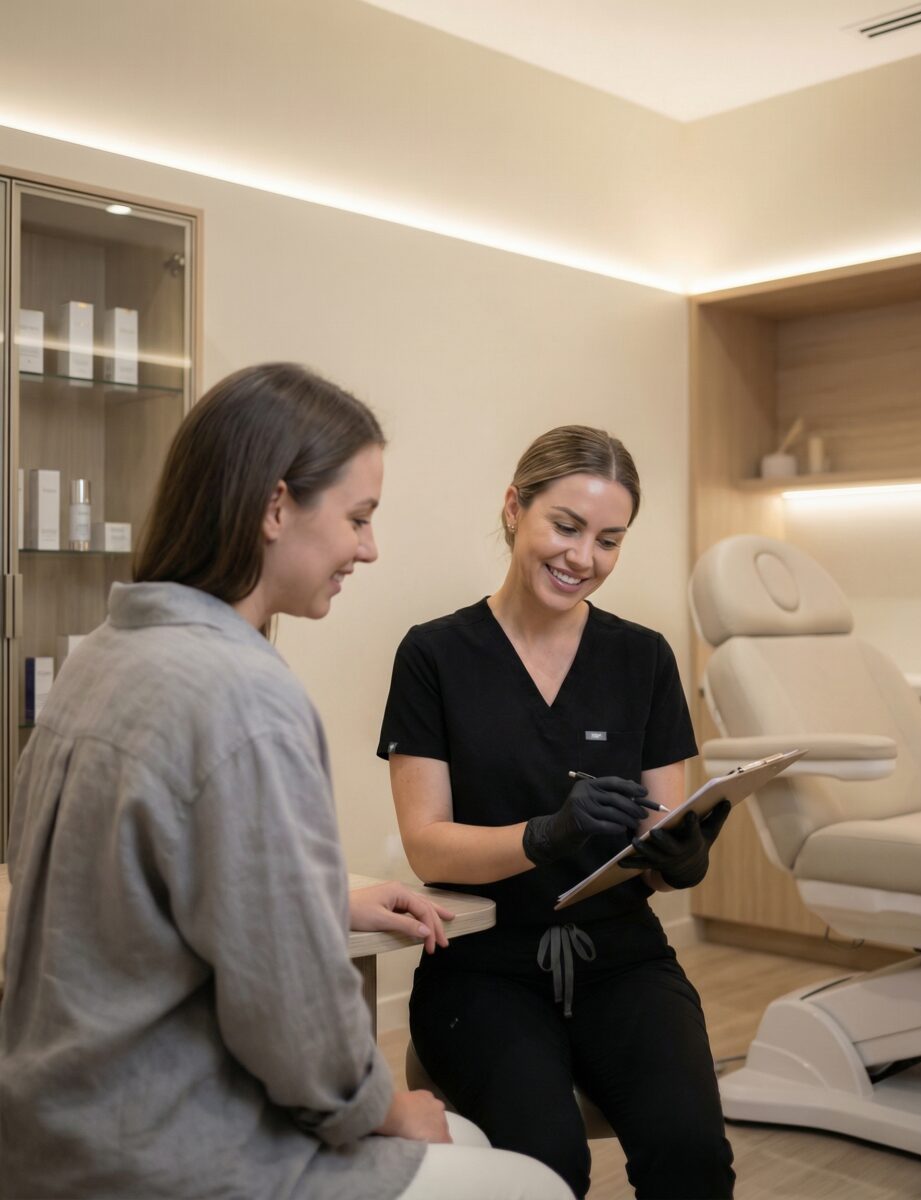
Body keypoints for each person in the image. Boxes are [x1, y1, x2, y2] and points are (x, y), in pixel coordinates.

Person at [0, 364, 571, 1200]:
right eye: (358, 518)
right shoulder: (243, 695)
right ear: (276, 508)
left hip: (49, 1133)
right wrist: (384, 1106)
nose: (368, 548)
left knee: (472, 1140)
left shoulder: (100, 658)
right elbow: (296, 1023)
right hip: (164, 1158)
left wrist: (317, 900)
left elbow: (127, 891)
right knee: (531, 1181)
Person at [378, 425, 736, 1200]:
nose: (583, 558)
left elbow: (657, 828)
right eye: (565, 527)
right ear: (514, 508)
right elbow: (427, 846)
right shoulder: (434, 655)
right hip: (483, 970)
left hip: (623, 959)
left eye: (608, 541)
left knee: (690, 1156)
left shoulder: (642, 657)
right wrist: (545, 835)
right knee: (544, 1167)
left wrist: (677, 859)